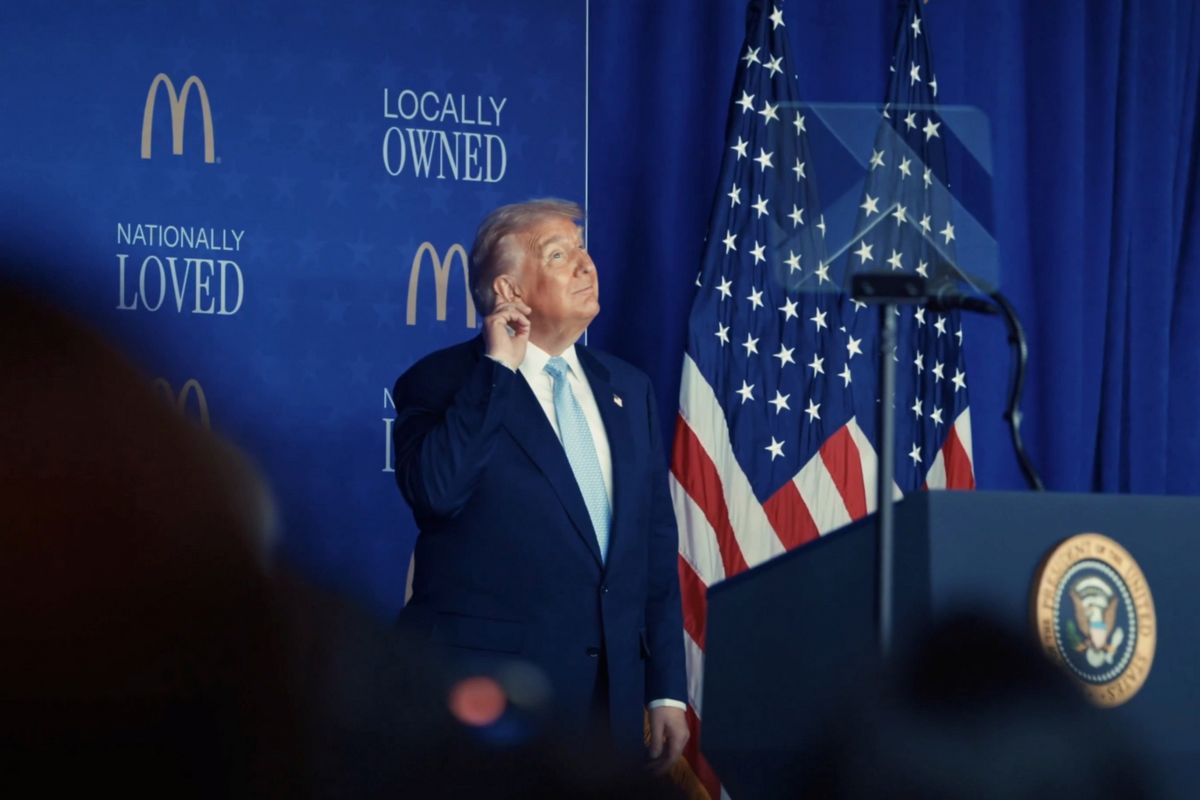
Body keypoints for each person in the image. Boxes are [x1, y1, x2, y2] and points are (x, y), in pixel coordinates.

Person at [391, 199, 689, 769]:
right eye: (558, 255)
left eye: (582, 249)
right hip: (493, 706)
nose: (586, 264)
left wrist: (666, 689)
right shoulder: (440, 383)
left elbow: (652, 546)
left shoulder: (629, 389)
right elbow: (437, 492)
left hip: (611, 709)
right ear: (509, 290)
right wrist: (497, 370)